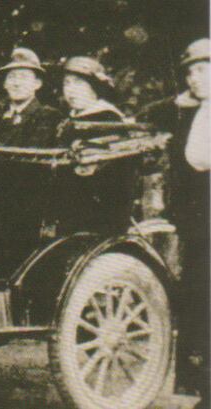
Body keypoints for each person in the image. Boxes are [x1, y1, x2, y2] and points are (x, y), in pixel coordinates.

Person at [137, 37, 209, 403]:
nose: (194, 78)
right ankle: (199, 387)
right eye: (190, 72)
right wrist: (179, 102)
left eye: (202, 70)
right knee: (197, 297)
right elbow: (147, 115)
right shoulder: (192, 113)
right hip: (196, 223)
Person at [0, 48, 63, 147]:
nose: (17, 83)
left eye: (24, 77)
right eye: (11, 77)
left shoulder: (50, 118)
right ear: (4, 84)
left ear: (37, 84)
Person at [59, 56, 126, 144]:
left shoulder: (107, 117)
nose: (71, 89)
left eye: (78, 82)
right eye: (66, 83)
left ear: (95, 87)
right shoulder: (69, 117)